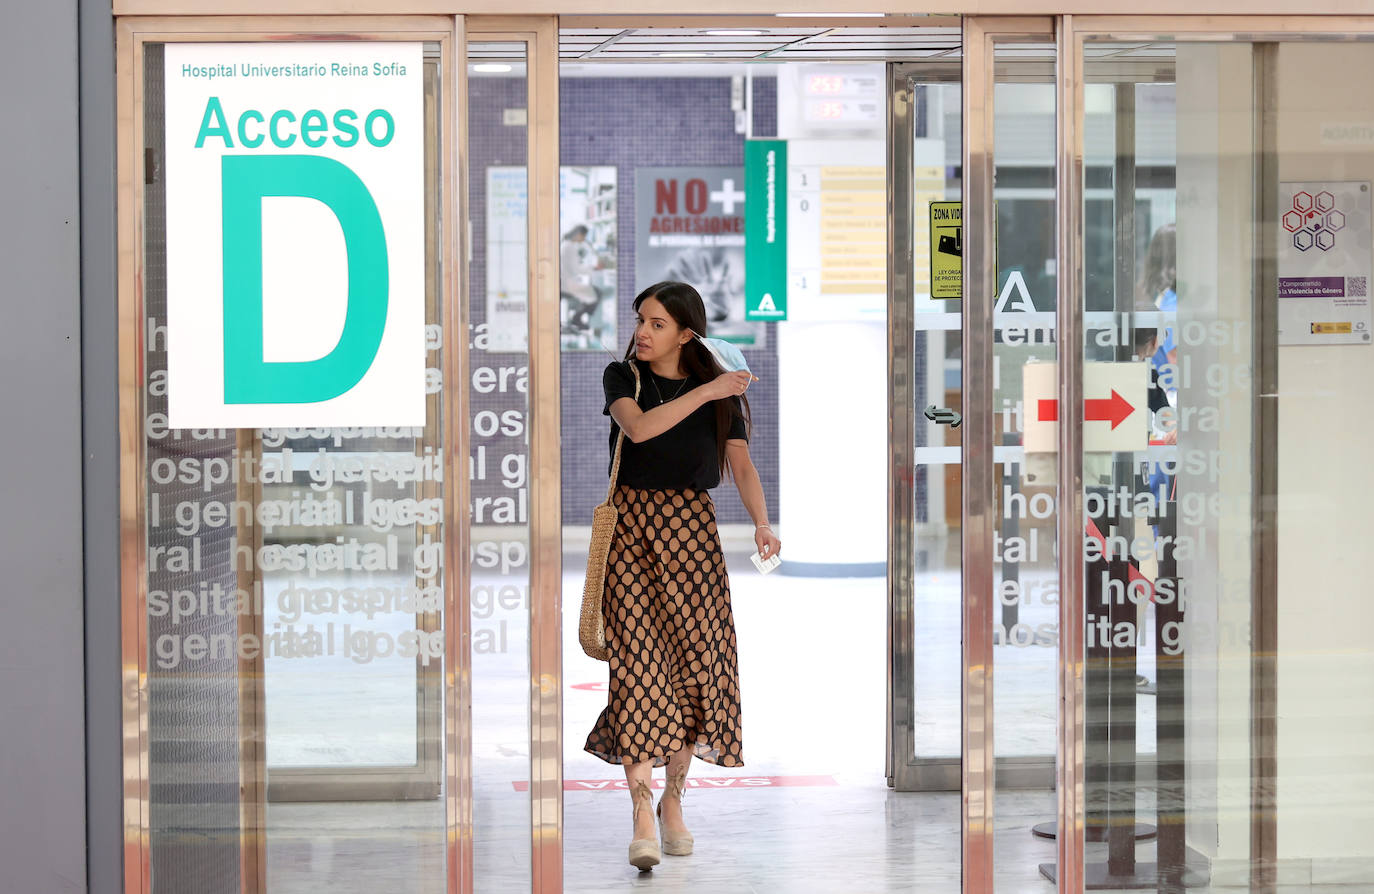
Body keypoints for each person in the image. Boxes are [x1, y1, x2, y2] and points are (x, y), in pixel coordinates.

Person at [584, 280, 780, 871]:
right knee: (639, 668)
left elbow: (740, 464)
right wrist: (711, 389)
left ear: (686, 332)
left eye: (658, 323)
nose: (642, 332)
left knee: (697, 668)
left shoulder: (719, 389)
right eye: (641, 320)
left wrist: (764, 523)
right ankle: (641, 811)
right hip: (632, 539)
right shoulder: (624, 379)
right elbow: (640, 430)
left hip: (693, 536)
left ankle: (673, 803)